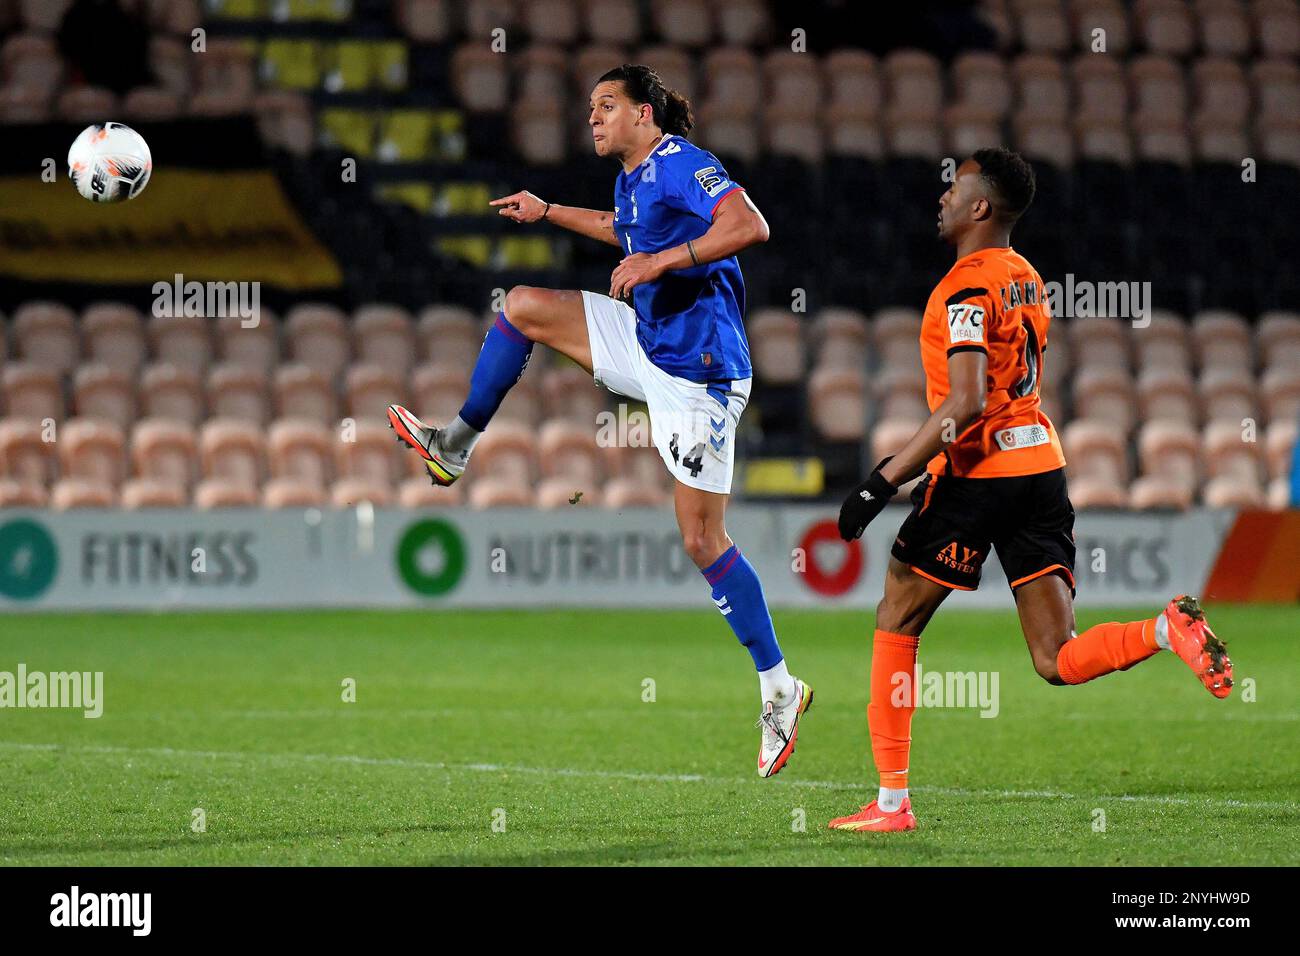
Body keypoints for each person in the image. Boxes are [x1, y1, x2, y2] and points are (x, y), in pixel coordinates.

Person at [386, 65, 813, 777]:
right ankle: (452, 447)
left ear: (645, 114)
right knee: (521, 303)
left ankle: (779, 689)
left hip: (698, 372)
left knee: (702, 540)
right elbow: (624, 231)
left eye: (606, 106)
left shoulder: (682, 162)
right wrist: (548, 210)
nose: (593, 118)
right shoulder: (633, 177)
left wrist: (659, 264)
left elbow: (749, 225)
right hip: (647, 341)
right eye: (590, 108)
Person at [827, 148, 1233, 833]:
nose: (942, 199)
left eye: (954, 190)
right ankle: (1166, 630)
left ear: (981, 206)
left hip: (979, 474)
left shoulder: (963, 288)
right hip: (1041, 467)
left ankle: (892, 804)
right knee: (1056, 658)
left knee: (897, 616)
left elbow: (962, 401)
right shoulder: (1025, 277)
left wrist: (881, 481)